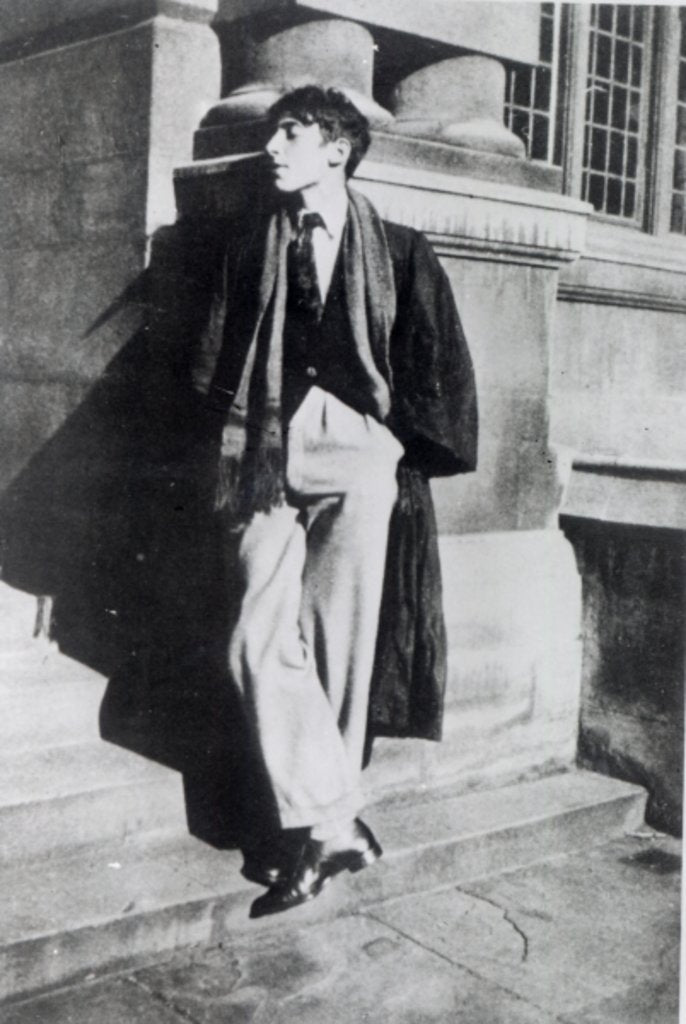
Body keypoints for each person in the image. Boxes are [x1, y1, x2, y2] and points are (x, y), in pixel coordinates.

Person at [190, 85, 477, 918]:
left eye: (292, 133)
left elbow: (436, 361)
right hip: (269, 447)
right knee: (256, 636)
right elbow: (212, 353)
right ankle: (336, 819)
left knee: (343, 647)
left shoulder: (399, 248)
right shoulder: (251, 245)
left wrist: (394, 453)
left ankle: (314, 834)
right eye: (275, 132)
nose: (272, 147)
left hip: (358, 448)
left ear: (337, 151)